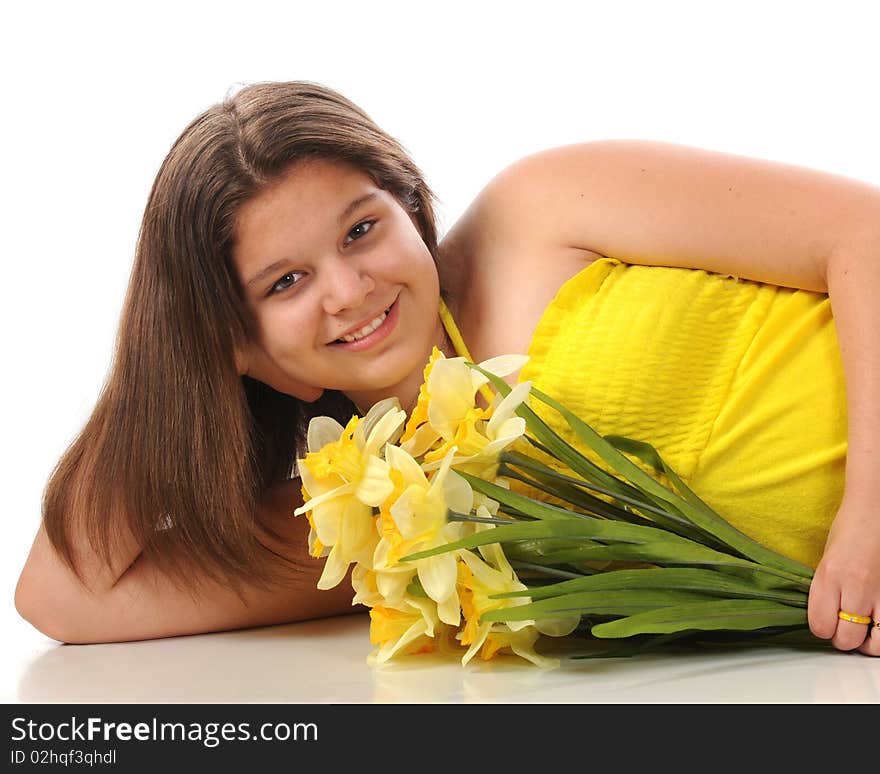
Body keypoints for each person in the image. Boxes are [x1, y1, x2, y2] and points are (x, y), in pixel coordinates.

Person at [15, 81, 879, 656]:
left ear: (411, 206)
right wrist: (170, 360)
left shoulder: (536, 212)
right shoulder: (390, 522)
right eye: (286, 282)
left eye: (361, 229)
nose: (350, 290)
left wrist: (868, 521)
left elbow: (865, 232)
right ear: (242, 350)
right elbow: (63, 598)